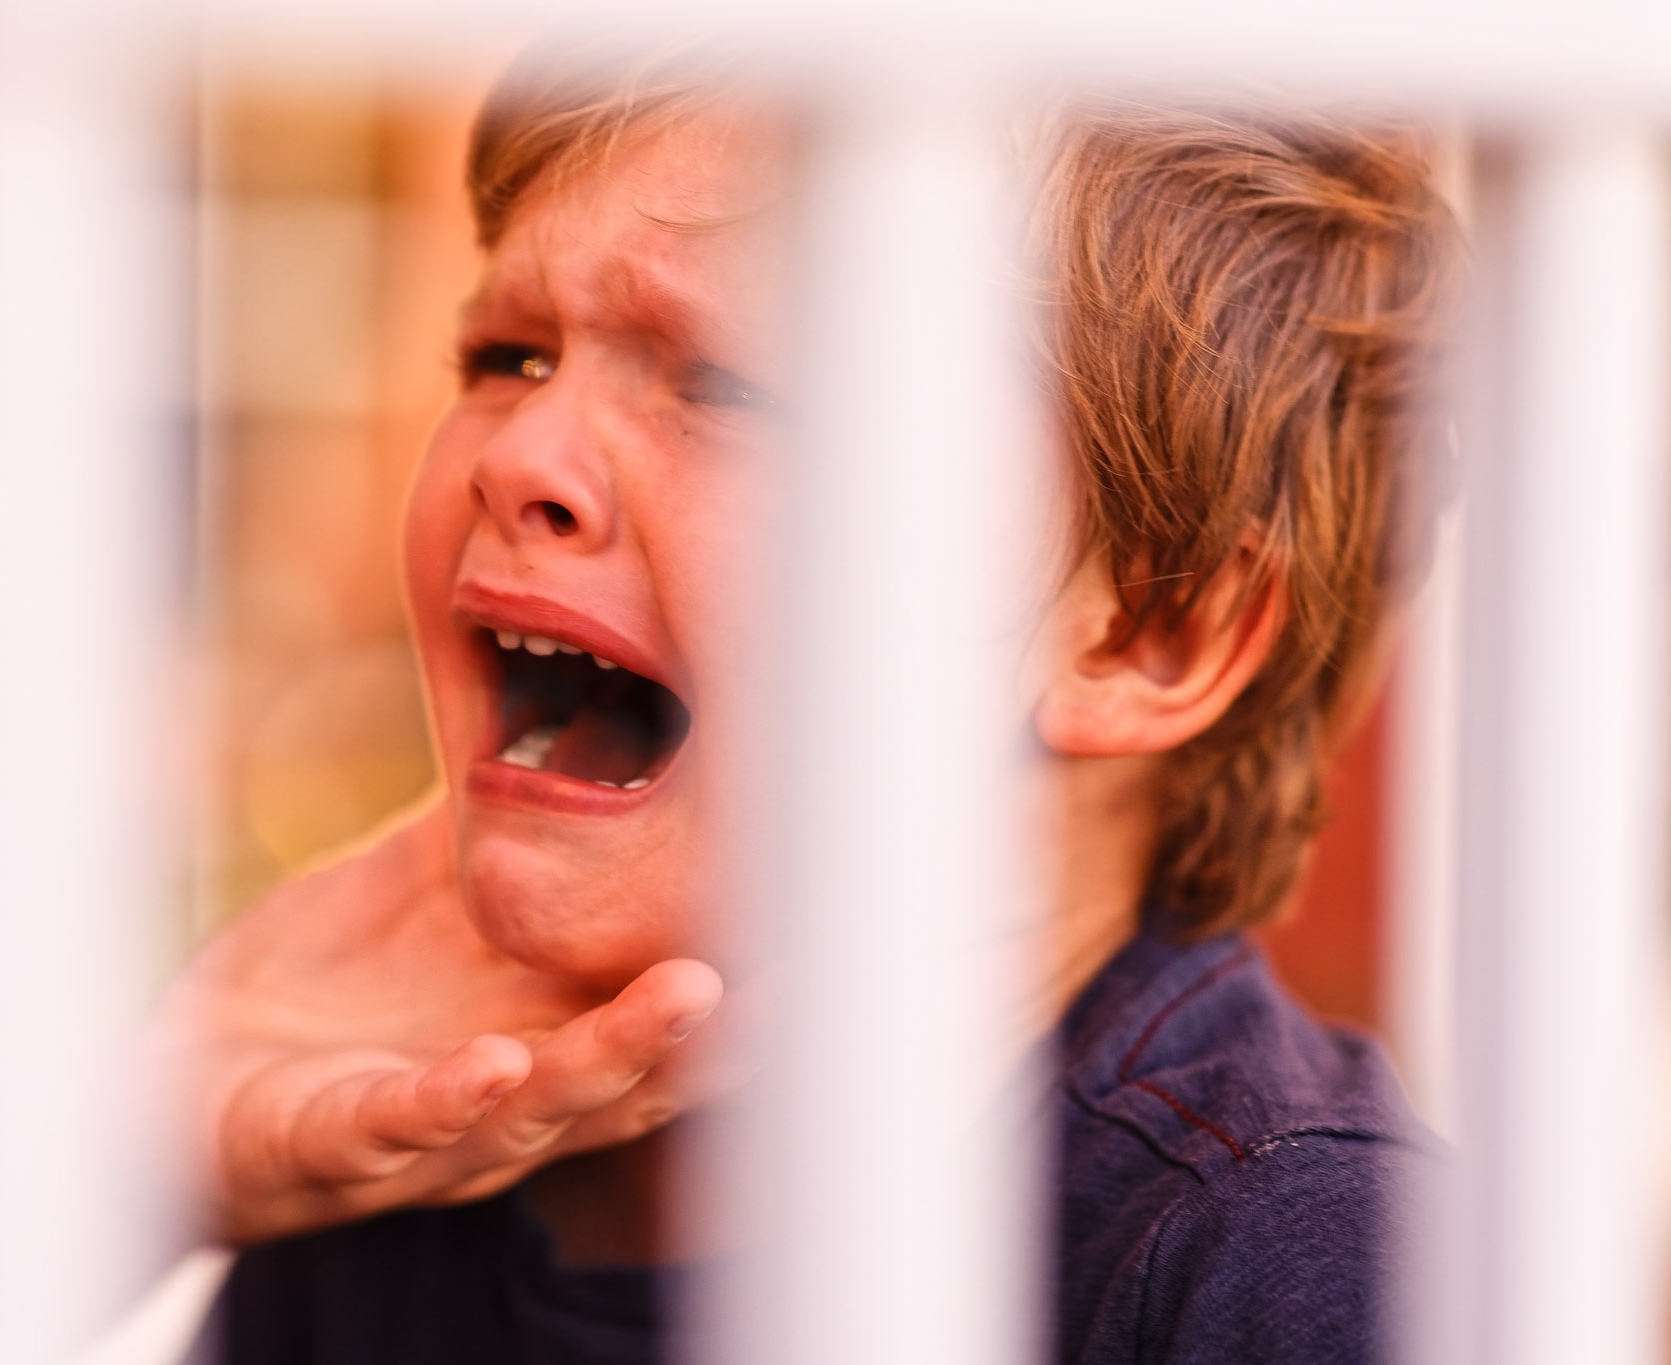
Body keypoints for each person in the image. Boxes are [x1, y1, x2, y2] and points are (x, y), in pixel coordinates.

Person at [165, 45, 1460, 1365]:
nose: (520, 455)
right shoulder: (388, 1172)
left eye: (724, 383)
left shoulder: (1302, 1254)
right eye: (510, 353)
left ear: (1146, 631)